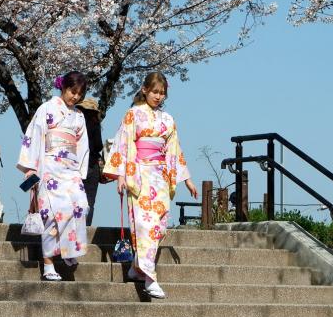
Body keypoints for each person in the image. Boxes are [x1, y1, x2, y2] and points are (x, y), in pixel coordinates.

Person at [102, 72, 198, 299]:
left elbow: (175, 150)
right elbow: (123, 144)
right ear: (144, 90)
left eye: (162, 93)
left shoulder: (168, 120)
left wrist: (187, 180)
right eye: (155, 91)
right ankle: (150, 277)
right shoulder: (132, 114)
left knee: (159, 226)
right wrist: (121, 175)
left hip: (161, 176)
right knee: (145, 226)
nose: (158, 96)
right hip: (140, 176)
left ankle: (136, 269)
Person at [17, 71, 90, 281]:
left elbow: (82, 146)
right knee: (50, 213)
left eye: (79, 94)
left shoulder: (79, 117)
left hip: (70, 168)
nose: (74, 97)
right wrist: (31, 167)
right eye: (71, 91)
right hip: (49, 165)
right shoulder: (47, 108)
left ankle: (69, 250)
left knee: (79, 206)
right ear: (63, 88)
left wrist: (80, 171)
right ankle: (48, 264)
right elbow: (35, 135)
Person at [76, 97, 104, 226]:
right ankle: (86, 228)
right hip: (91, 165)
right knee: (89, 201)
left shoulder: (74, 121)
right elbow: (98, 145)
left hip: (75, 164)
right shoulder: (94, 123)